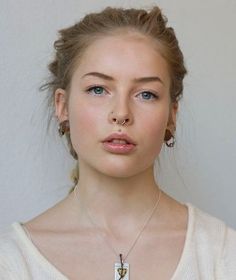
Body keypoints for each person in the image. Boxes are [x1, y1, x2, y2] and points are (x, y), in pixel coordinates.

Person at [0, 5, 236, 280]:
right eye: (98, 89)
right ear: (63, 106)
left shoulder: (223, 255)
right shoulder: (11, 263)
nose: (121, 113)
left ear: (172, 115)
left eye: (146, 94)